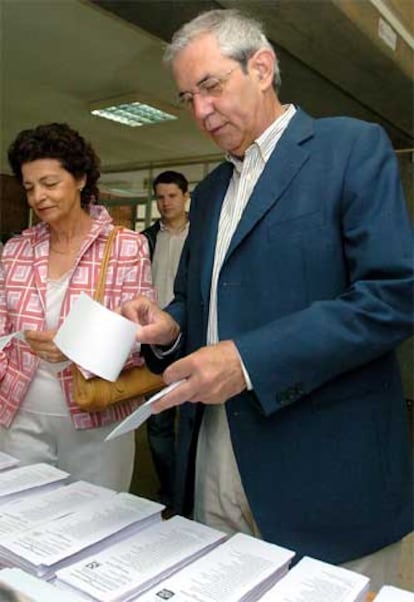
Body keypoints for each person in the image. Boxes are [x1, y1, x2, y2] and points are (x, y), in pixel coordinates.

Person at [121, 8, 414, 591]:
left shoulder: (349, 148)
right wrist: (169, 328)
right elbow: (197, 303)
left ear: (262, 67)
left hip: (325, 473)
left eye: (211, 86)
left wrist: (247, 360)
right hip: (213, 464)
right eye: (187, 97)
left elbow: (392, 295)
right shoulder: (207, 195)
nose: (200, 112)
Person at [0, 122, 155, 491]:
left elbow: (139, 336)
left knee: (96, 523)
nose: (38, 196)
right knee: (21, 524)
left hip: (96, 420)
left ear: (81, 179)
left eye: (50, 183)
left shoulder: (126, 247)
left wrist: (74, 346)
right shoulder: (16, 249)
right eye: (29, 187)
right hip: (20, 417)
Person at [141, 170, 190, 509]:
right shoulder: (145, 239)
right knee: (157, 424)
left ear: (185, 196)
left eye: (172, 196)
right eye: (160, 197)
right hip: (155, 343)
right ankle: (170, 493)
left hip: (193, 336)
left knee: (191, 419)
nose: (165, 203)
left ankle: (189, 493)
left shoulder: (204, 234)